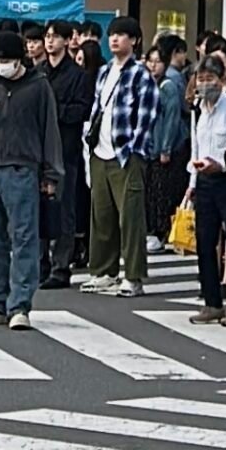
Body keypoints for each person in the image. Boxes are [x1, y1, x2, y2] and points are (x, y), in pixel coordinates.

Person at [0, 29, 62, 329]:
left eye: (7, 59)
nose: (1, 65)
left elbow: (50, 131)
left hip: (23, 169)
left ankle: (20, 304)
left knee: (24, 237)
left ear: (20, 58)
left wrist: (50, 174)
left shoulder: (39, 87)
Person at [81, 17, 157, 298]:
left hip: (126, 153)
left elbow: (147, 117)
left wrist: (135, 150)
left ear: (135, 41)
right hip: (100, 151)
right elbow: (96, 110)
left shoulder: (141, 74)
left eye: (122, 35)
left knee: (131, 218)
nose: (114, 40)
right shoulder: (103, 72)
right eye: (112, 35)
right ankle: (104, 271)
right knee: (101, 216)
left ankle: (133, 276)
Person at [187, 55, 226, 325]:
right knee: (205, 242)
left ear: (222, 80)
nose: (205, 84)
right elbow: (195, 146)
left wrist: (219, 166)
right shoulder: (197, 108)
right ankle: (212, 302)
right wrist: (192, 184)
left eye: (210, 79)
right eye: (201, 79)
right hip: (204, 181)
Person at [40, 19, 94, 286]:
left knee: (64, 209)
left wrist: (54, 112)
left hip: (66, 149)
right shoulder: (38, 72)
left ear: (66, 40)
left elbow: (81, 111)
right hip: (38, 151)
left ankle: (61, 267)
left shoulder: (78, 75)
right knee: (38, 207)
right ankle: (41, 263)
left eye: (54, 37)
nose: (49, 41)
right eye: (47, 36)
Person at [144, 33, 190, 260]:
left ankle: (160, 232)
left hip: (165, 146)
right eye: (149, 61)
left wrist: (165, 149)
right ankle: (156, 231)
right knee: (154, 190)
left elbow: (172, 119)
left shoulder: (168, 86)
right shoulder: (151, 85)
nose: (153, 66)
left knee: (163, 191)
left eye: (157, 62)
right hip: (151, 146)